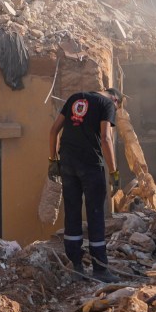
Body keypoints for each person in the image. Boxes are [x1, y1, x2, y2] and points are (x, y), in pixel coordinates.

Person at [51, 87, 120, 277]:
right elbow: (106, 138)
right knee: (95, 213)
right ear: (115, 100)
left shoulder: (74, 98)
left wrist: (52, 161)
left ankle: (76, 266)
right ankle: (100, 268)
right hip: (90, 165)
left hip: (67, 163)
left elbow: (53, 130)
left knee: (72, 211)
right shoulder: (107, 104)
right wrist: (114, 172)